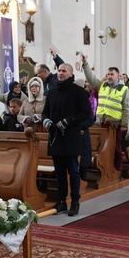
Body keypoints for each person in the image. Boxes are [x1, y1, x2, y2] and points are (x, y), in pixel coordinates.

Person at [42, 63, 92, 216]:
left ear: (71, 74)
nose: (60, 73)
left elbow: (86, 114)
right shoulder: (52, 91)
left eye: (64, 71)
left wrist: (68, 121)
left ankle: (75, 201)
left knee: (73, 171)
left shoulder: (79, 92)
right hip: (55, 137)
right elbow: (45, 112)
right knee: (59, 172)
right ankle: (62, 201)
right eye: (59, 70)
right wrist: (46, 121)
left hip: (71, 136)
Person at [81, 54, 129, 172]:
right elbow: (91, 79)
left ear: (118, 76)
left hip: (115, 123)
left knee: (117, 148)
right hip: (102, 122)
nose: (109, 76)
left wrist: (124, 124)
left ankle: (117, 169)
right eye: (108, 74)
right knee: (103, 147)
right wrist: (85, 64)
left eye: (112, 74)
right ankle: (106, 169)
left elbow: (127, 108)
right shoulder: (103, 85)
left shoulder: (124, 89)